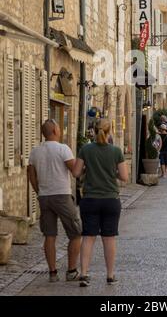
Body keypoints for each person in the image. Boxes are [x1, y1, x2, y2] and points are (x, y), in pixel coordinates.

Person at [72, 118, 128, 287]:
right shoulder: (116, 151)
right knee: (109, 238)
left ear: (93, 131)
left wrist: (88, 169)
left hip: (90, 199)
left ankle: (84, 273)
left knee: (88, 237)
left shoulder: (86, 150)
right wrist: (112, 173)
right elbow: (124, 177)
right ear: (109, 131)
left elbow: (75, 173)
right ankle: (110, 275)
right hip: (111, 199)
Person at [28, 119, 82, 283]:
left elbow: (31, 175)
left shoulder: (35, 151)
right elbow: (75, 171)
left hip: (44, 197)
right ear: (55, 131)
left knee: (49, 235)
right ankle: (71, 271)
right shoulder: (63, 149)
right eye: (58, 127)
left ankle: (53, 273)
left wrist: (39, 191)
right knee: (76, 232)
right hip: (62, 195)